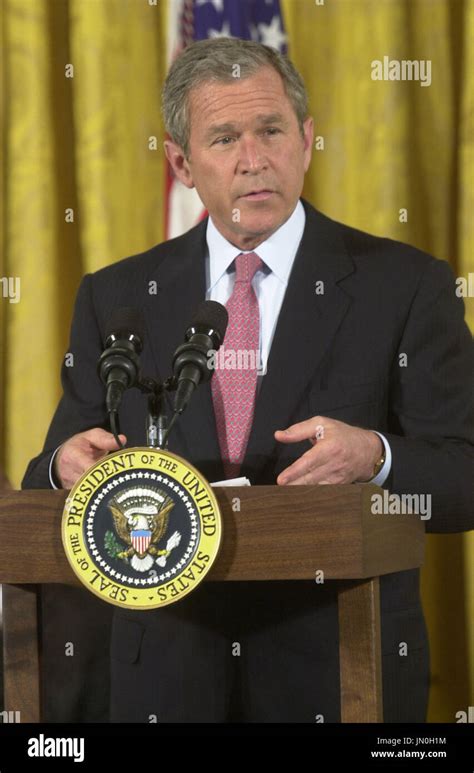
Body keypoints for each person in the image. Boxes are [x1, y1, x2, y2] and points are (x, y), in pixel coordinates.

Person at [23, 37, 474, 723]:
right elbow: (51, 475)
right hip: (166, 682)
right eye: (224, 137)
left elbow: (465, 474)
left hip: (341, 674)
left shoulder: (405, 286)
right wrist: (63, 467)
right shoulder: (117, 297)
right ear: (181, 161)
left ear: (307, 138)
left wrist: (377, 459)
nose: (253, 159)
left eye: (271, 130)